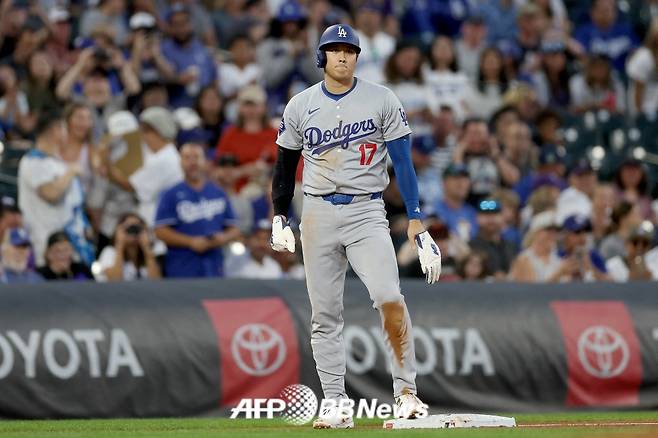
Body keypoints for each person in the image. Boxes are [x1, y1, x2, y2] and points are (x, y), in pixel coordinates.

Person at [270, 24, 441, 428]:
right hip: (316, 212)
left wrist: (416, 217)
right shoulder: (300, 104)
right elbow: (284, 166)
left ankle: (406, 393)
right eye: (335, 50)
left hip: (367, 210)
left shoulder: (382, 98)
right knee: (324, 314)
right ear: (322, 57)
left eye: (349, 50)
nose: (343, 56)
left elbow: (403, 162)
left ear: (358, 56)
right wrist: (280, 213)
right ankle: (334, 401)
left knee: (389, 298)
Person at [17, 110, 94, 266]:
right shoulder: (33, 161)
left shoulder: (57, 163)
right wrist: (70, 172)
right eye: (65, 128)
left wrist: (84, 225)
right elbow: (50, 193)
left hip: (72, 247)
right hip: (48, 250)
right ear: (55, 130)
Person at [155, 143, 241, 278]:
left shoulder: (218, 192)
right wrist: (190, 242)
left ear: (206, 162)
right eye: (187, 158)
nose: (192, 162)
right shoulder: (170, 194)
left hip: (214, 265)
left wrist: (222, 238)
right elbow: (160, 231)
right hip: (182, 267)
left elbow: (234, 228)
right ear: (181, 162)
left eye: (196, 157)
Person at [106, 106, 183, 228]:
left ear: (157, 132)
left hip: (157, 223)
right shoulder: (168, 153)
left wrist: (107, 167)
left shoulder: (162, 159)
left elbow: (130, 185)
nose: (143, 138)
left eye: (145, 132)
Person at [95, 213, 161, 281]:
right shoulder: (110, 252)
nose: (133, 232)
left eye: (137, 228)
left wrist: (146, 247)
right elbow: (115, 280)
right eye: (129, 228)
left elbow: (156, 281)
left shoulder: (150, 253)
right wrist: (119, 244)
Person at [468, 199, 518, 278]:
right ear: (477, 218)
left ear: (502, 217)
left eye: (495, 214)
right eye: (485, 215)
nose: (490, 219)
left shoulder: (511, 246)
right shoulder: (470, 247)